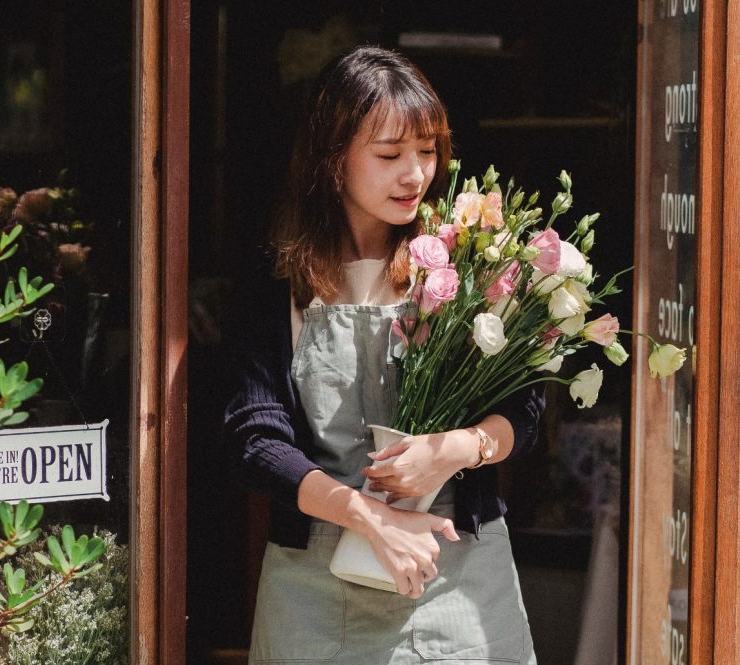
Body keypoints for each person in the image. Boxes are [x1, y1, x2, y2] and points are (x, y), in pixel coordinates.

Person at [223, 45, 544, 665]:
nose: (415, 175)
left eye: (427, 152)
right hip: (316, 586)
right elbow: (254, 439)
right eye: (390, 154)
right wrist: (371, 517)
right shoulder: (276, 280)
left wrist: (456, 449)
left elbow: (524, 409)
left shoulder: (466, 257)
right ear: (332, 158)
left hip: (458, 574)